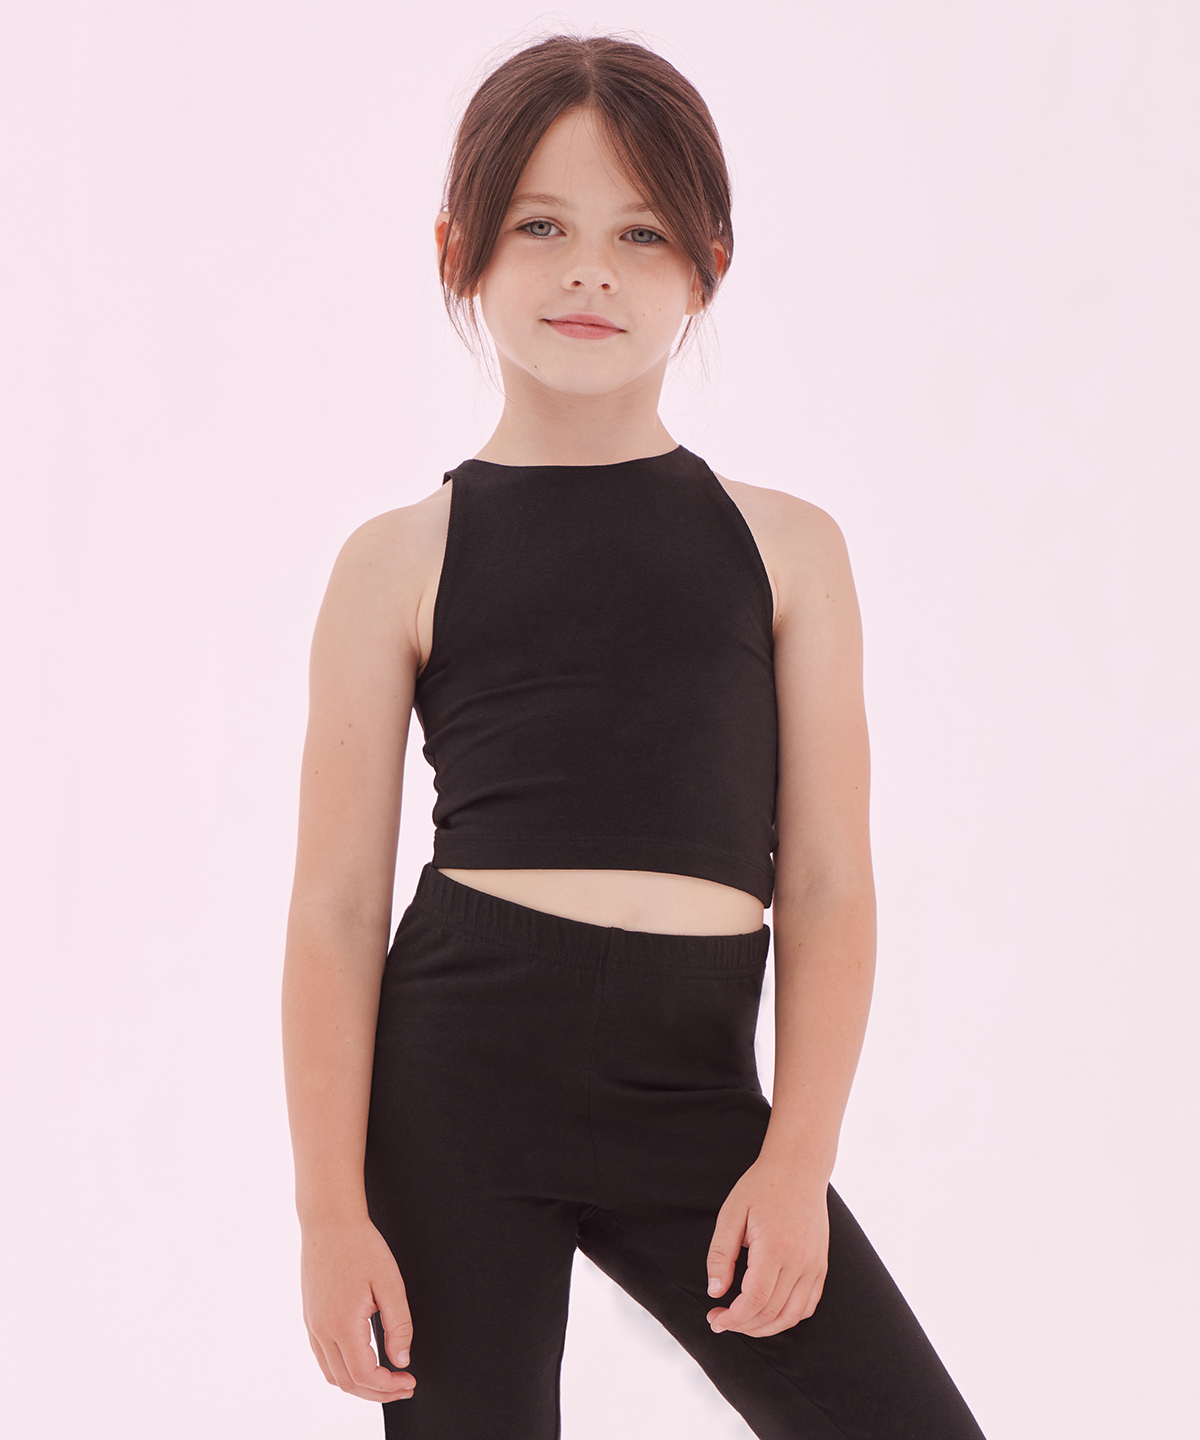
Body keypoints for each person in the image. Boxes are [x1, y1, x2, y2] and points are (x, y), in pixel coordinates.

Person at [281, 31, 987, 1440]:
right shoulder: (397, 558)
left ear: (709, 262)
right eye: (540, 226)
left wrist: (798, 1161)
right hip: (460, 1083)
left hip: (694, 1086)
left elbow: (827, 881)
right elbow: (338, 909)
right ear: (459, 250)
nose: (589, 271)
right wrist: (328, 1213)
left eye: (641, 232)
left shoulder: (786, 549)